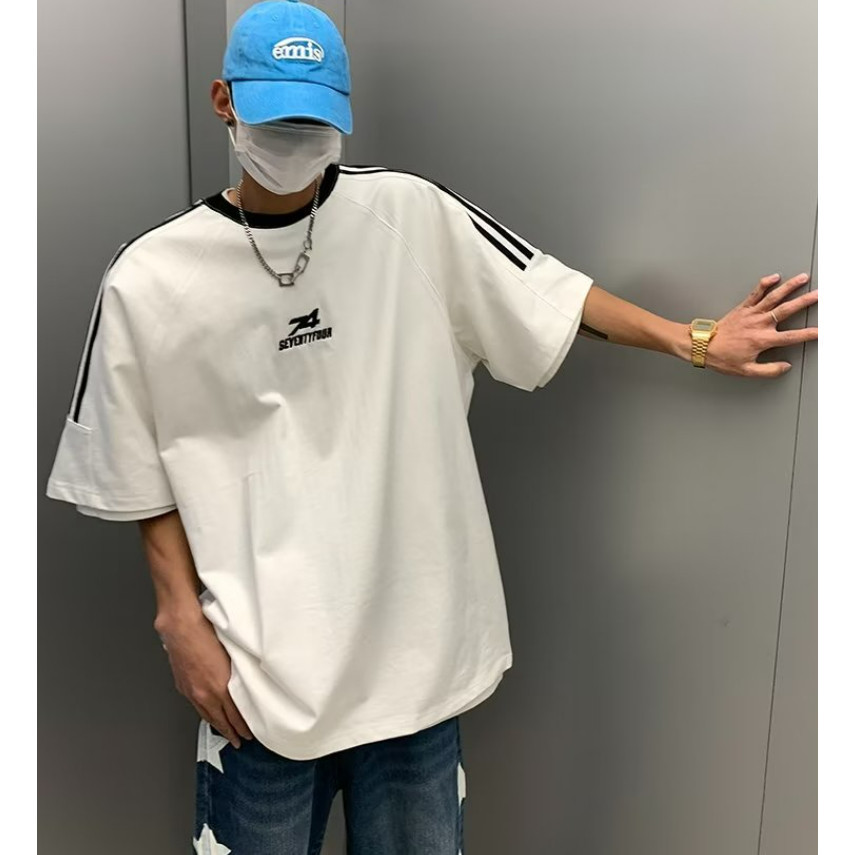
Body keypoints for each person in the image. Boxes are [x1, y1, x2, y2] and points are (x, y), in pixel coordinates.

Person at [43, 1, 819, 852]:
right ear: (223, 100)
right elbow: (131, 460)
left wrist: (694, 338)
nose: (294, 141)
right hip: (255, 677)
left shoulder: (409, 214)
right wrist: (178, 620)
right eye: (276, 118)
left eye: (313, 122)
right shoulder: (150, 275)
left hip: (414, 663)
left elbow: (548, 296)